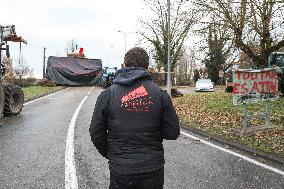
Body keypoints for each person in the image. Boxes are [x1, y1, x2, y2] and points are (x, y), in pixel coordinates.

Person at [89, 47, 180, 189]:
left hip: (121, 169)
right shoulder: (160, 95)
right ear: (147, 67)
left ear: (125, 65)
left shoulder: (108, 95)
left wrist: (113, 154)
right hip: (152, 168)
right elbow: (173, 132)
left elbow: (96, 133)